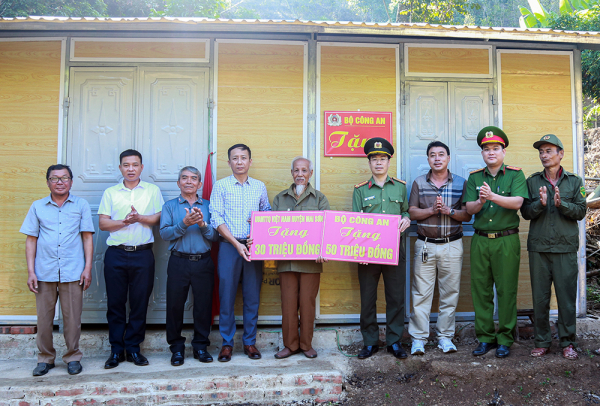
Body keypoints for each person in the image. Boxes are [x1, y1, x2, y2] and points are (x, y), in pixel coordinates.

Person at [20, 164, 94, 376]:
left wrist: (87, 268)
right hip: (44, 271)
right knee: (44, 319)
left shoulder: (81, 205)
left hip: (72, 271)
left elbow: (87, 237)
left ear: (71, 181)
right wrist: (31, 271)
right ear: (48, 182)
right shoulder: (37, 206)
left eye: (64, 178)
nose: (60, 182)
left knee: (72, 319)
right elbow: (31, 240)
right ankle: (45, 359)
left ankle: (72, 357)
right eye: (55, 178)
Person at [465, 126, 528, 359]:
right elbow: (469, 209)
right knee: (480, 290)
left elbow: (518, 202)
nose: (491, 152)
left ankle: (505, 339)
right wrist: (481, 201)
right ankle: (485, 338)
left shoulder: (515, 174)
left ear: (503, 151)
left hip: (506, 239)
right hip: (481, 241)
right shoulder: (474, 177)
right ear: (482, 153)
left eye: (495, 148)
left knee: (506, 290)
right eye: (486, 149)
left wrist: (492, 196)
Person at [521, 134, 586, 360]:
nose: (544, 155)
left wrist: (562, 204)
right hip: (539, 248)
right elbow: (526, 213)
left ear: (561, 154)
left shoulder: (575, 181)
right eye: (541, 152)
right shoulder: (532, 182)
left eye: (548, 151)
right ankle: (542, 341)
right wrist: (541, 204)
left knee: (566, 298)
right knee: (540, 298)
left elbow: (581, 211)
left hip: (565, 248)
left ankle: (568, 342)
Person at [99, 149, 164, 368]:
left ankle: (134, 349)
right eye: (126, 165)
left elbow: (158, 218)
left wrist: (139, 218)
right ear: (120, 168)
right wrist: (125, 222)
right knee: (115, 304)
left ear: (141, 168)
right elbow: (103, 224)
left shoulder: (152, 190)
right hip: (116, 254)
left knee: (139, 303)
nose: (130, 169)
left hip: (143, 254)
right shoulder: (111, 192)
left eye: (135, 165)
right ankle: (116, 351)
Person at [407, 141, 472, 355]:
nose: (437, 158)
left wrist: (448, 211)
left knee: (450, 293)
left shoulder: (462, 183)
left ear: (448, 158)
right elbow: (412, 212)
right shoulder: (419, 182)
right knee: (421, 293)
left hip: (452, 245)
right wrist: (431, 211)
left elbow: (467, 215)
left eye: (441, 154)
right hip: (425, 245)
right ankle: (418, 339)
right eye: (433, 155)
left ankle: (445, 337)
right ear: (428, 159)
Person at [210, 144, 271, 362]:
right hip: (229, 246)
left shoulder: (259, 186)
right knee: (226, 296)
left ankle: (249, 342)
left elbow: (267, 213)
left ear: (250, 161)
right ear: (229, 163)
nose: (239, 162)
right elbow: (216, 218)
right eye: (234, 158)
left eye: (243, 158)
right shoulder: (221, 186)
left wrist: (259, 224)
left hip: (254, 247)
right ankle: (227, 344)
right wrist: (236, 243)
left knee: (252, 297)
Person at [351, 137, 411, 360]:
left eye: (383, 159)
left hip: (395, 250)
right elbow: (356, 223)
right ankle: (370, 341)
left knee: (396, 298)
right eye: (374, 159)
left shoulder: (401, 188)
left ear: (388, 162)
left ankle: (394, 341)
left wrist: (406, 219)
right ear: (369, 163)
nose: (378, 163)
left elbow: (406, 211)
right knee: (367, 298)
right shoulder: (359, 191)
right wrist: (360, 252)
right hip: (368, 255)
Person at [159, 166, 219, 366]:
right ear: (178, 183)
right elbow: (165, 234)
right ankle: (176, 349)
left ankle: (200, 346)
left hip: (203, 262)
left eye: (194, 178)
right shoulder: (169, 206)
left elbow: (216, 236)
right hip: (178, 262)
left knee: (203, 306)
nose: (189, 181)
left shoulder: (209, 206)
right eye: (184, 178)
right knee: (175, 307)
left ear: (200, 184)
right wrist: (184, 223)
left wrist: (202, 225)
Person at [271, 157, 330, 359]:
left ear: (310, 174)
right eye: (296, 170)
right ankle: (290, 345)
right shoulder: (280, 199)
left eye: (304, 170)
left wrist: (324, 250)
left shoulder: (320, 199)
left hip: (311, 263)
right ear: (292, 173)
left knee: (307, 303)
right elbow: (271, 229)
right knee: (288, 303)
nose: (300, 174)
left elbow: (326, 230)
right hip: (286, 262)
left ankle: (306, 344)